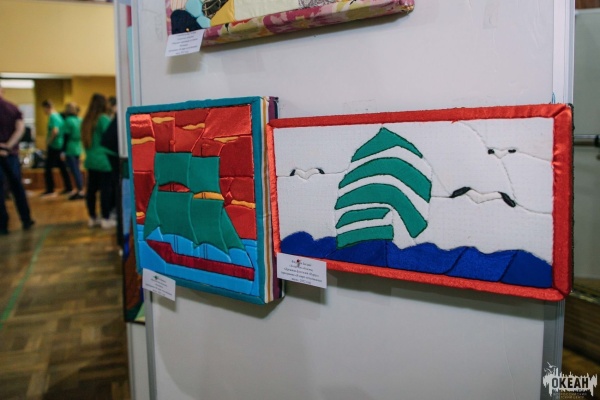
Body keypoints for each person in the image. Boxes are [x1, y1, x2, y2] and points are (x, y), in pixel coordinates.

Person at [0, 86, 35, 234]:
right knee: (17, 187)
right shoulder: (13, 108)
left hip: (7, 153)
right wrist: (8, 146)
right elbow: (20, 129)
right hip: (11, 154)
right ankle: (26, 219)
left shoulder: (12, 108)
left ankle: (2, 225)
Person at [81, 93, 115, 229]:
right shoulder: (103, 119)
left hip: (90, 159)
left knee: (91, 190)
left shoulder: (86, 120)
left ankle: (92, 217)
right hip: (103, 160)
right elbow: (111, 137)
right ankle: (105, 218)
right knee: (105, 191)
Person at [41, 100, 72, 197]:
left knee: (48, 168)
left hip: (54, 145)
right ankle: (68, 187)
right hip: (59, 145)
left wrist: (49, 142)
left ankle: (50, 189)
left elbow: (55, 130)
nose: (44, 111)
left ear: (47, 107)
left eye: (44, 109)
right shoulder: (59, 116)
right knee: (62, 167)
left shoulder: (53, 117)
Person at [62, 103, 85, 200]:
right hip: (79, 147)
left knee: (73, 170)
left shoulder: (68, 121)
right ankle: (79, 189)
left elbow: (65, 136)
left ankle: (79, 190)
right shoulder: (80, 120)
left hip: (70, 148)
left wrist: (63, 151)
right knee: (77, 169)